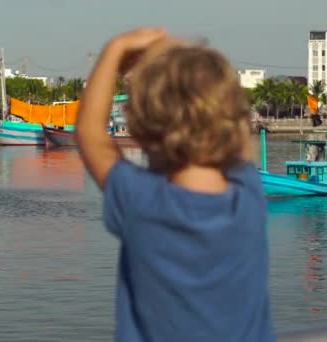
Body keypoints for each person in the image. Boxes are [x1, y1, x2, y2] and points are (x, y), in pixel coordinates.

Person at [75, 28, 275, 342]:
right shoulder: (248, 197)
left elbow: (90, 133)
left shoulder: (140, 201)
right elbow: (238, 134)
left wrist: (114, 50)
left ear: (140, 130)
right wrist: (198, 65)